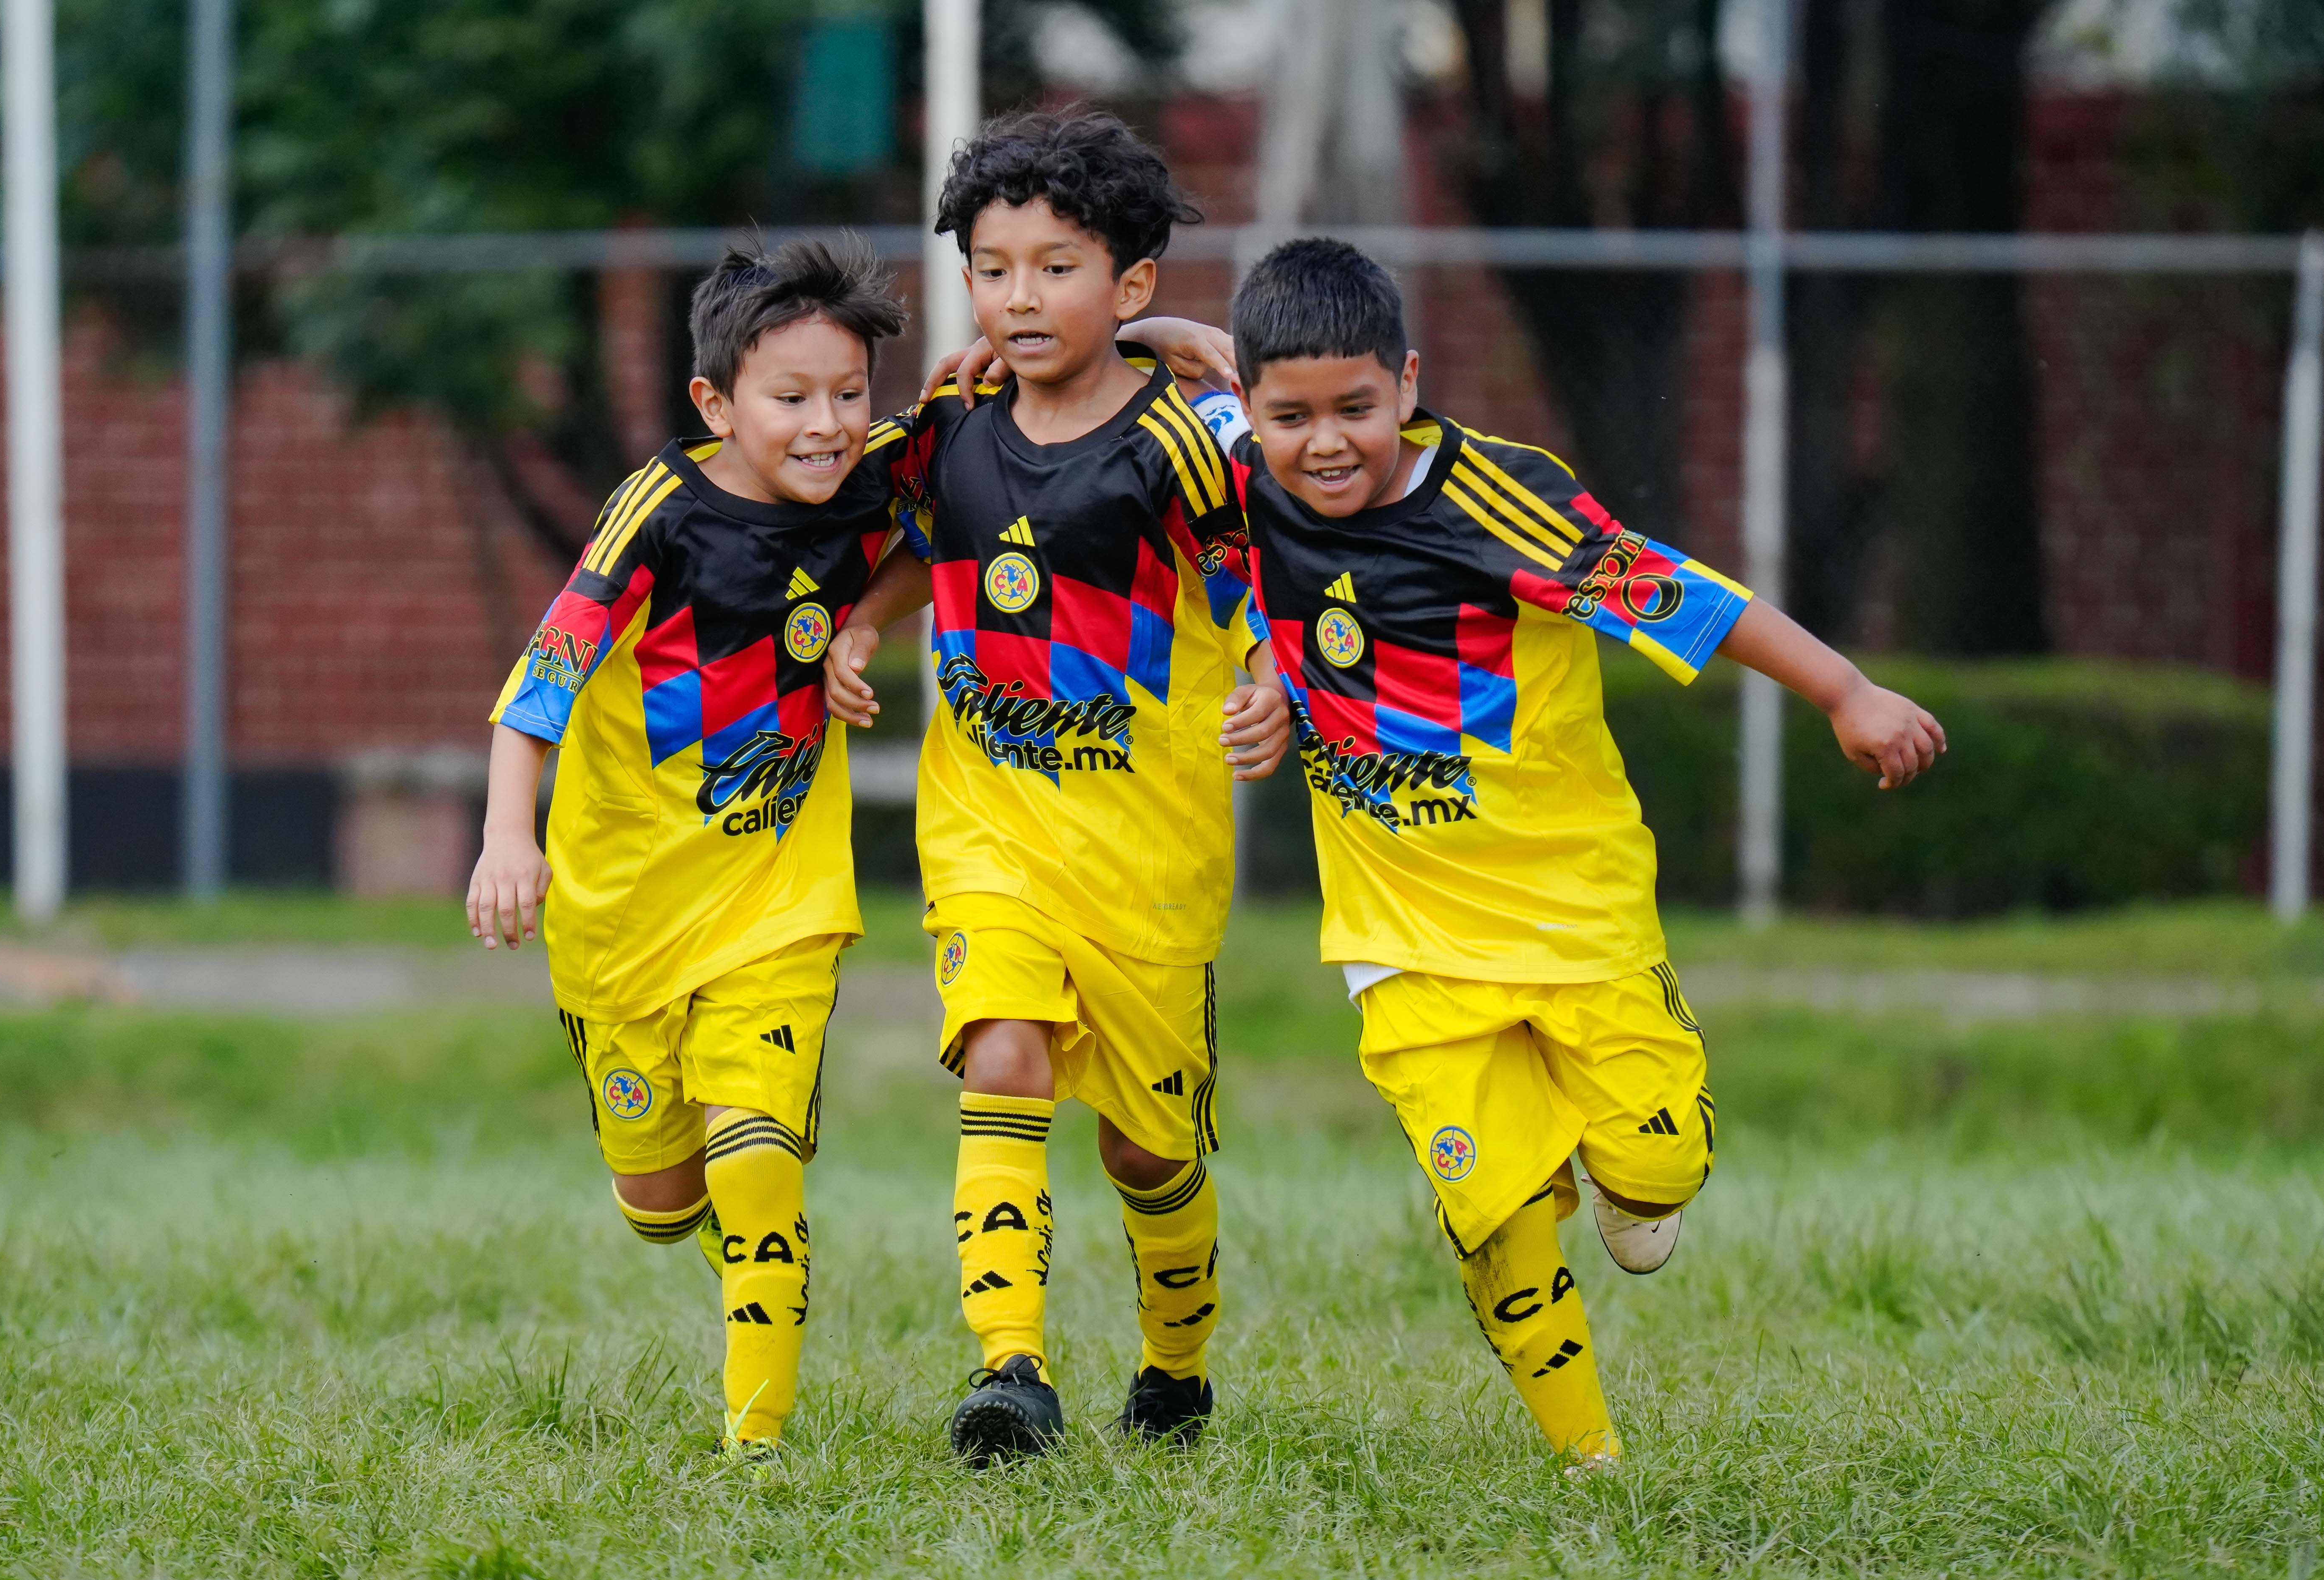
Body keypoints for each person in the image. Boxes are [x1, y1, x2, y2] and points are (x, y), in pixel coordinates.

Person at [1144, 238, 1945, 1463]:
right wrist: (1127, 337)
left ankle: (1629, 1180)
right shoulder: (1240, 469)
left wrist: (1846, 691)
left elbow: (1683, 592)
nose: (1324, 443)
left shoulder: (1500, 504)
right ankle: (1591, 1460)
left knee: (1661, 1158)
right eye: (1288, 415)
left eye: (1355, 408)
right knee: (1493, 1207)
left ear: (1406, 383)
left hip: (1575, 915)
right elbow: (1163, 374)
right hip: (1399, 941)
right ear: (1252, 410)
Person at [822, 108, 1290, 1463]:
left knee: (1149, 1154)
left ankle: (1176, 1364)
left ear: (1130, 283)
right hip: (988, 829)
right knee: (1002, 1047)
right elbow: (922, 539)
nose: (1017, 296)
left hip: (1148, 859)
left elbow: (1274, 567)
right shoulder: (955, 416)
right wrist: (864, 624)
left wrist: (1267, 672)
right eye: (990, 265)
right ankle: (1010, 1371)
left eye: (1055, 266)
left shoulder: (1194, 435)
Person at [466, 237, 912, 1461]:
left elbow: (1001, 427)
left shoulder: (877, 474)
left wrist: (862, 627)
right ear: (715, 402)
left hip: (777, 897)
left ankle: (755, 1450)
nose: (828, 425)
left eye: (849, 394)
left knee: (760, 1150)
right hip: (618, 918)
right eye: (791, 399)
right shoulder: (656, 518)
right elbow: (537, 685)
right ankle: (725, 1234)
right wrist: (510, 837)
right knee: (664, 1204)